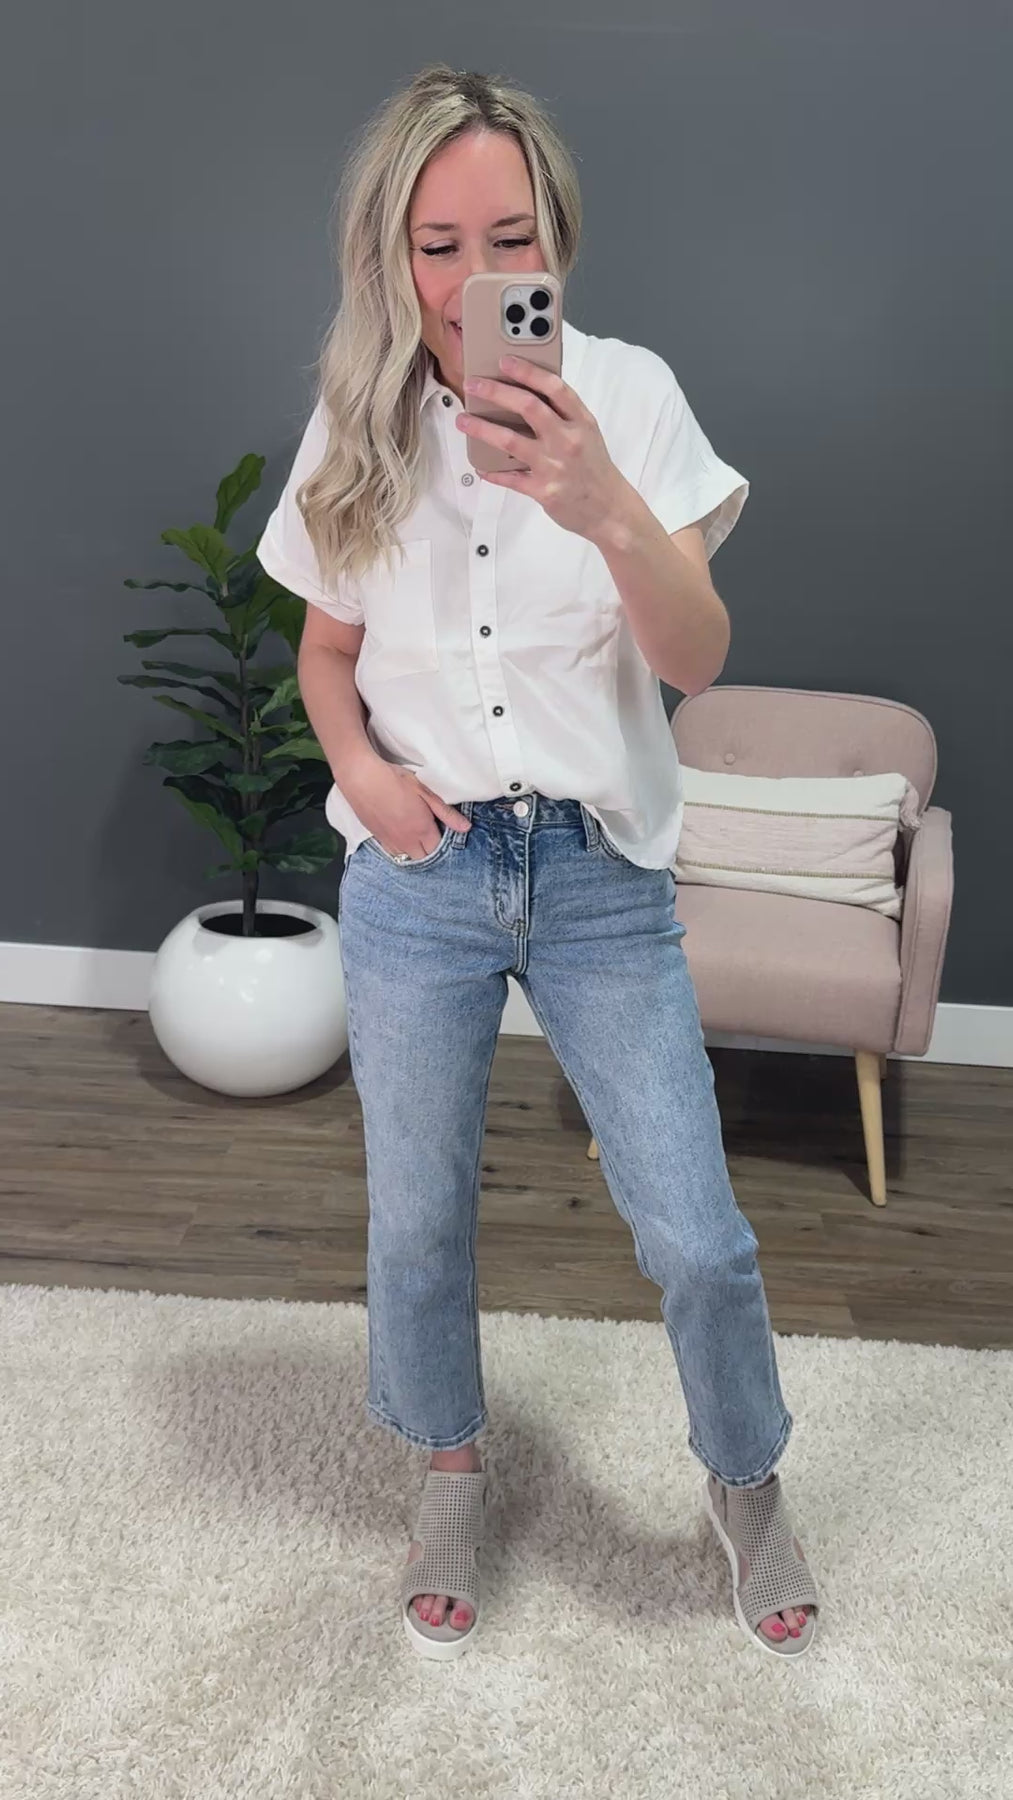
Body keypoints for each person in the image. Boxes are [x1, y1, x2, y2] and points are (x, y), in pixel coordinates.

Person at [256, 62, 819, 1663]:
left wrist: (601, 504)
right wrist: (365, 775)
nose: (472, 277)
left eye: (508, 239)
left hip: (595, 877)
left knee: (696, 1233)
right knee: (418, 1222)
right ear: (390, 251)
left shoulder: (629, 397)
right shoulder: (357, 419)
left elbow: (695, 658)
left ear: (556, 242)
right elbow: (324, 656)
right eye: (437, 244)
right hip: (418, 877)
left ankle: (745, 1481)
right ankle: (448, 1471)